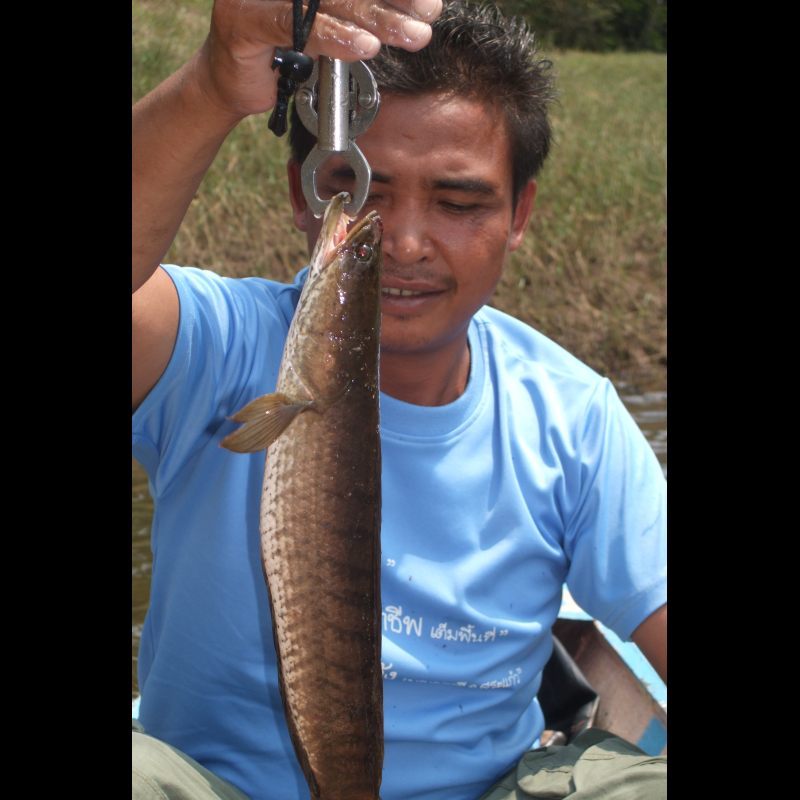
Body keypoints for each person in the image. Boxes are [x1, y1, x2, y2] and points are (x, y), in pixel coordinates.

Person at [132, 1, 667, 799]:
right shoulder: (216, 344)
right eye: (364, 193)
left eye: (458, 203)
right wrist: (213, 84)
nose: (407, 243)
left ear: (518, 214)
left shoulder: (572, 417)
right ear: (306, 193)